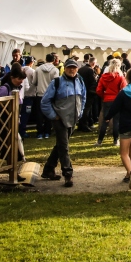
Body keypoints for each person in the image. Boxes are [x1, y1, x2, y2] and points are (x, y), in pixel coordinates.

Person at [40, 59, 86, 187]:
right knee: (64, 147)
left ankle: (48, 169)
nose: (72, 70)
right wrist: (53, 116)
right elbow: (45, 101)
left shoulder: (80, 81)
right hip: (60, 120)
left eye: (74, 67)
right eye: (69, 67)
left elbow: (83, 97)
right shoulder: (57, 82)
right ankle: (68, 174)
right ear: (64, 69)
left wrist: (80, 113)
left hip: (72, 119)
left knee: (61, 145)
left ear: (77, 69)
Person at [96, 59, 127, 147]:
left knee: (106, 120)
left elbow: (98, 90)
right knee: (116, 121)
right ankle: (115, 140)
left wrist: (104, 96)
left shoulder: (103, 76)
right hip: (117, 100)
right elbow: (124, 89)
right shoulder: (120, 77)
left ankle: (99, 140)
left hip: (107, 99)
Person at [33, 54, 60, 139]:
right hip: (50, 94)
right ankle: (47, 132)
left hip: (40, 94)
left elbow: (34, 82)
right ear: (54, 59)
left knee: (39, 114)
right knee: (49, 114)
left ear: (46, 59)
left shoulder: (38, 69)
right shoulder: (55, 70)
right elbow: (56, 83)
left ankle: (40, 132)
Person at [77, 55, 99, 132]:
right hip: (89, 92)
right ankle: (84, 125)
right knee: (87, 109)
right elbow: (93, 82)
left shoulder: (81, 69)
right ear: (93, 63)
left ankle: (81, 124)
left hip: (81, 91)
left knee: (82, 108)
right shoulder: (90, 70)